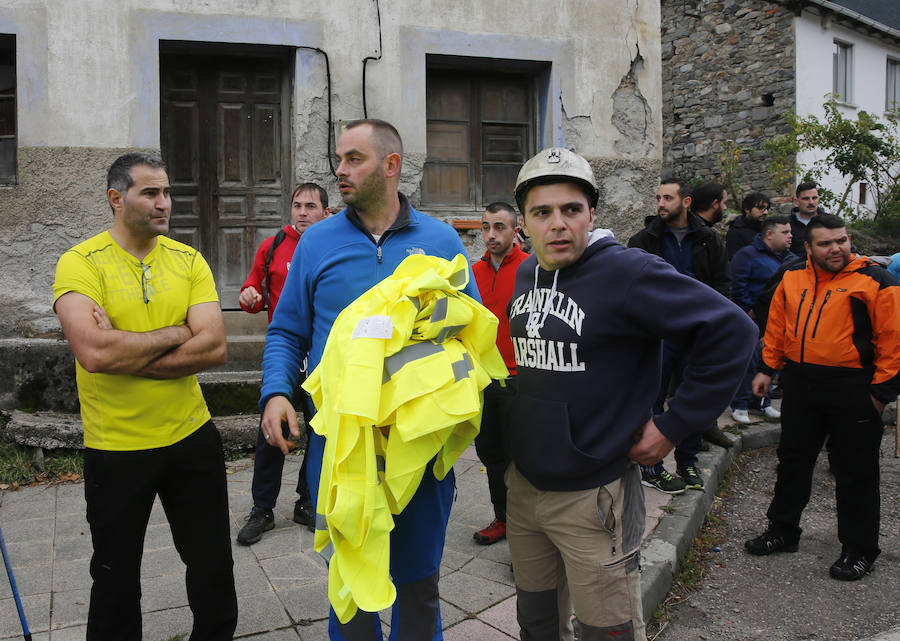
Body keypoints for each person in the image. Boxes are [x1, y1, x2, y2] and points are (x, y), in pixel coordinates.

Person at [505, 147, 756, 640]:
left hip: (595, 494)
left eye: (571, 210)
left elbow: (732, 331)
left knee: (608, 631)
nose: (558, 224)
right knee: (535, 623)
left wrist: (672, 425)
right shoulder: (525, 273)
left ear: (590, 215)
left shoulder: (628, 272)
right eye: (543, 212)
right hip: (526, 486)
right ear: (524, 224)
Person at [258, 119, 480, 640]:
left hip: (418, 451)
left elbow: (466, 334)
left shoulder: (441, 240)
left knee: (419, 582)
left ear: (391, 165)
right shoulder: (317, 245)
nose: (340, 170)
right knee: (351, 584)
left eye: (354, 158)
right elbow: (286, 331)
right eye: (339, 159)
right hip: (341, 450)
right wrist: (275, 393)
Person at [52, 153, 237, 640]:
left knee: (213, 570)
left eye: (167, 193)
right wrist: (177, 333)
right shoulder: (80, 263)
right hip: (116, 448)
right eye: (150, 193)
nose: (164, 204)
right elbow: (93, 352)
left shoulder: (188, 260)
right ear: (117, 199)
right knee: (114, 581)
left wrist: (128, 351)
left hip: (191, 438)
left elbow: (215, 346)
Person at [745, 214, 900, 581]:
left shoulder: (877, 281)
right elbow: (777, 326)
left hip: (855, 388)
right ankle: (783, 530)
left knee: (856, 471)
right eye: (826, 243)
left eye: (842, 241)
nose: (837, 249)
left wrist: (880, 395)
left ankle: (859, 549)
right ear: (808, 247)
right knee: (793, 460)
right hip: (801, 383)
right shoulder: (792, 276)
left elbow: (894, 341)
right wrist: (768, 368)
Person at [236, 182, 330, 545]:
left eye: (310, 205)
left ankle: (306, 502)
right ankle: (262, 509)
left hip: (322, 357)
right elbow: (252, 296)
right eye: (297, 205)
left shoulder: (330, 244)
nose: (303, 212)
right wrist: (250, 296)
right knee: (272, 432)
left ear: (325, 211)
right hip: (287, 355)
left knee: (318, 430)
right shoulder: (273, 245)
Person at [628, 178, 732, 493]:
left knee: (693, 398)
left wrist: (712, 324)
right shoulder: (643, 241)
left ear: (686, 202)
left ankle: (687, 462)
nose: (661, 203)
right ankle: (652, 467)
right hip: (657, 336)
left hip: (696, 335)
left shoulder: (708, 240)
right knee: (653, 399)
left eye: (668, 198)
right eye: (658, 197)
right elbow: (632, 286)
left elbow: (723, 284)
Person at [471, 201, 529, 545]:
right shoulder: (472, 273)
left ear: (515, 229)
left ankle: (527, 534)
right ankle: (503, 518)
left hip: (521, 380)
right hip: (483, 380)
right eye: (486, 227)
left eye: (499, 228)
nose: (491, 235)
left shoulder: (531, 268)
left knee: (522, 460)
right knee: (491, 455)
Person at [728, 216, 796, 424]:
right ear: (769, 234)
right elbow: (737, 283)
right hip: (751, 320)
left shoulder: (791, 259)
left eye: (790, 232)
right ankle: (739, 404)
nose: (790, 236)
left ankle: (762, 402)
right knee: (750, 361)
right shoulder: (747, 255)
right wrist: (748, 310)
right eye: (785, 232)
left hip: (778, 321)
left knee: (771, 362)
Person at [726, 191, 772, 258]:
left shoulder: (767, 228)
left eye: (767, 208)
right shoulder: (735, 232)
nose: (765, 212)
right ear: (747, 209)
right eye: (760, 208)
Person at [788, 181, 825, 260]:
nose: (811, 202)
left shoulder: (829, 222)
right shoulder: (786, 225)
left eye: (814, 198)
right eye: (806, 199)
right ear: (796, 201)